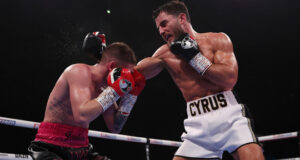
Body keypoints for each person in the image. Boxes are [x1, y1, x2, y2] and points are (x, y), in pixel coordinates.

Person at [135, 1, 264, 160]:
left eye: (164, 23)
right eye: (159, 28)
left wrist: (194, 58)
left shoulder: (217, 40)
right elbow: (137, 74)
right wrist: (119, 72)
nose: (161, 31)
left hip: (230, 117)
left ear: (182, 18)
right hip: (197, 125)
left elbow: (229, 80)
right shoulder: (164, 54)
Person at [28, 32, 146, 160]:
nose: (127, 79)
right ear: (112, 66)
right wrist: (114, 91)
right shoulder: (79, 72)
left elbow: (115, 127)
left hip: (82, 150)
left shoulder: (107, 89)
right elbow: (82, 116)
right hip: (51, 147)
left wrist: (130, 98)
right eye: (125, 72)